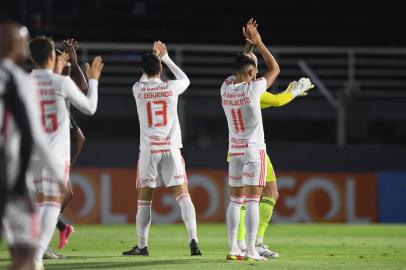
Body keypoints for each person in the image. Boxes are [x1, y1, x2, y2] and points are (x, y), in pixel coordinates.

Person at [222, 19, 313, 261]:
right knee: (253, 200)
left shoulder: (226, 88)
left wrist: (248, 48)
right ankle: (251, 247)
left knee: (237, 200)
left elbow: (240, 68)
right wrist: (260, 44)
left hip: (235, 151)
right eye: (254, 71)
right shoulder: (254, 91)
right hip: (254, 151)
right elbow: (275, 72)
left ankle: (236, 247)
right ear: (252, 73)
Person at [28, 35, 104, 270]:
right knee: (51, 204)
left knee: (38, 204)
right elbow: (89, 107)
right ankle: (37, 255)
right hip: (56, 156)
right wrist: (94, 81)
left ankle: (35, 252)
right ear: (52, 56)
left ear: (31, 57)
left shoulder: (23, 82)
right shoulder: (60, 84)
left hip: (30, 155)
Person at [122, 41, 201, 257]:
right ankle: (193, 240)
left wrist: (153, 63)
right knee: (183, 195)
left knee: (144, 198)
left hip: (149, 151)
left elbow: (144, 79)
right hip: (171, 148)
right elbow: (185, 79)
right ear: (161, 69)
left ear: (142, 70)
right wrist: (165, 57)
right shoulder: (170, 88)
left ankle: (142, 245)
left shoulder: (137, 89)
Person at [0, 22, 65, 270]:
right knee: (26, 254)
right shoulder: (19, 79)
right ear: (15, 47)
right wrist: (56, 172)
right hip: (8, 171)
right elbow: (34, 134)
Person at [43, 38, 88, 259]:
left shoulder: (47, 80)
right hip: (46, 147)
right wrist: (74, 63)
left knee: (65, 194)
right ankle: (39, 244)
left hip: (51, 145)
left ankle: (43, 240)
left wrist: (73, 62)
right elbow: (84, 88)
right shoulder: (51, 81)